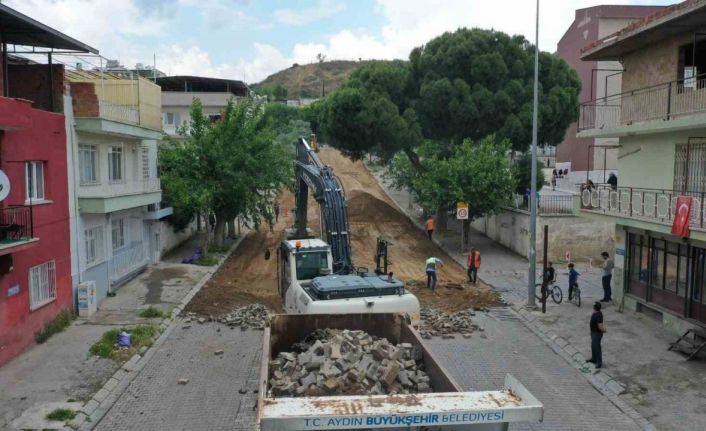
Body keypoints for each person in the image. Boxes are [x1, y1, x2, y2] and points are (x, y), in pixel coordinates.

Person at [587, 302, 606, 368]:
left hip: (597, 334)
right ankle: (594, 359)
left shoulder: (598, 315)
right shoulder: (596, 313)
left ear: (595, 307)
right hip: (593, 332)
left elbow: (600, 325)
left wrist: (604, 330)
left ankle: (599, 363)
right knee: (593, 346)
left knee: (597, 348)